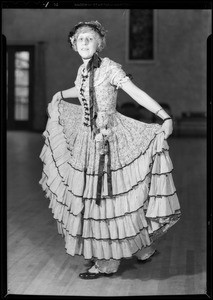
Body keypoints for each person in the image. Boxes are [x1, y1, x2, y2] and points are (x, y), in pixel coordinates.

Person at [39, 20, 181, 279]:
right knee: (104, 197)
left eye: (89, 39)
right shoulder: (83, 70)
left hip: (110, 138)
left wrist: (164, 116)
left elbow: (135, 93)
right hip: (87, 139)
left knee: (106, 196)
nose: (84, 43)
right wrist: (61, 94)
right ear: (74, 45)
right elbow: (82, 91)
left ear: (99, 44)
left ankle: (107, 262)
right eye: (80, 39)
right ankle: (142, 248)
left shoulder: (109, 68)